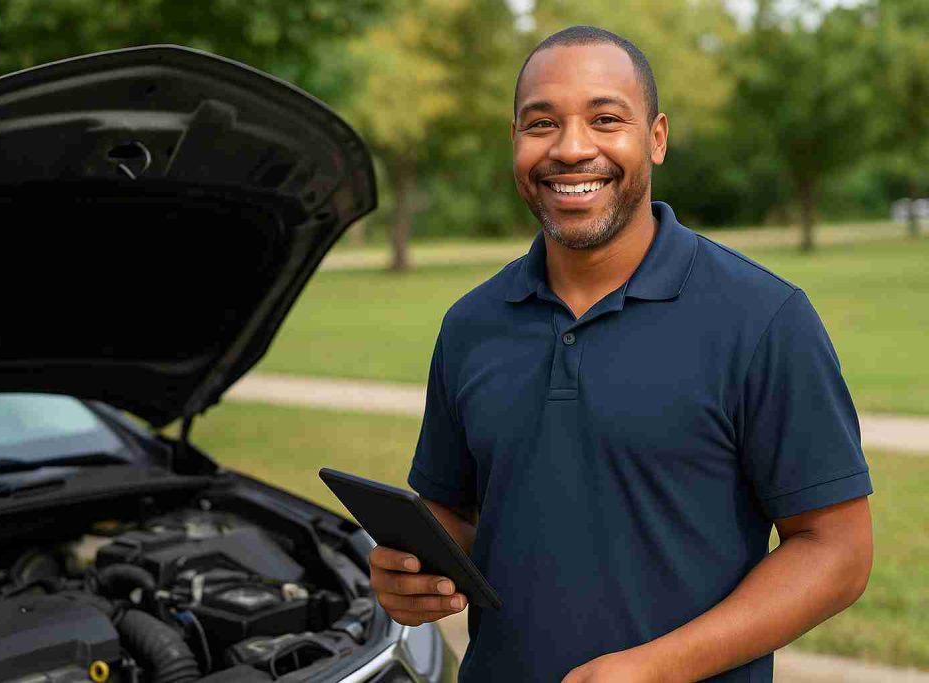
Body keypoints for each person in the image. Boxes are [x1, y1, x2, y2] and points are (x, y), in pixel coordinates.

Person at [368, 25, 873, 683]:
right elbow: (456, 512)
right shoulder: (470, 324)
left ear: (656, 138)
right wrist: (413, 568)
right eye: (541, 123)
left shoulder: (764, 318)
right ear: (515, 141)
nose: (572, 148)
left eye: (606, 119)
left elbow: (838, 551)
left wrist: (655, 668)